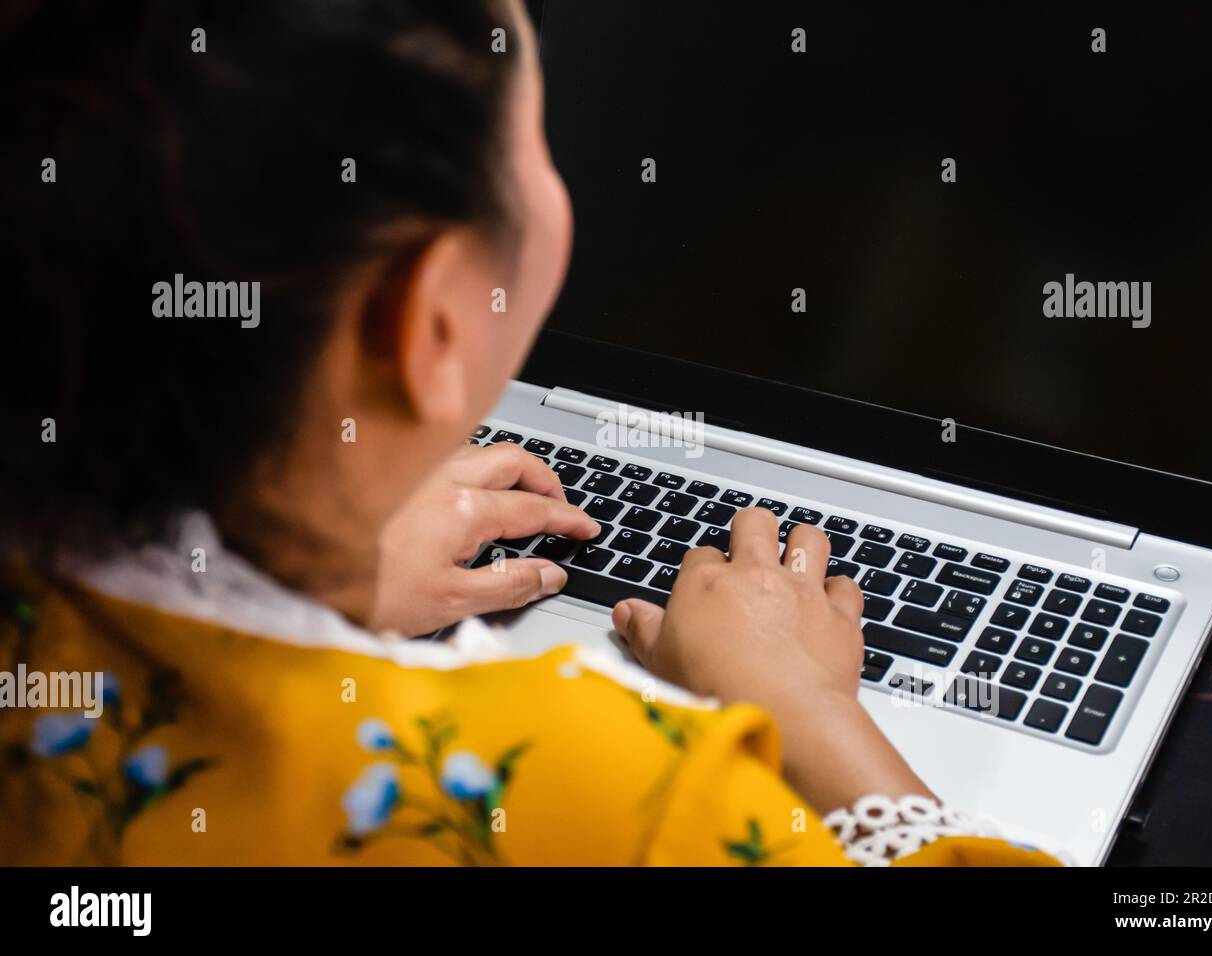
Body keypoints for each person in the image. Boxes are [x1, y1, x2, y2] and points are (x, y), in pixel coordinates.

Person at [0, 0, 1057, 867]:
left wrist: (307, 562)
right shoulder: (613, 793)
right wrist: (806, 710)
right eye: (533, 143)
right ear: (431, 323)